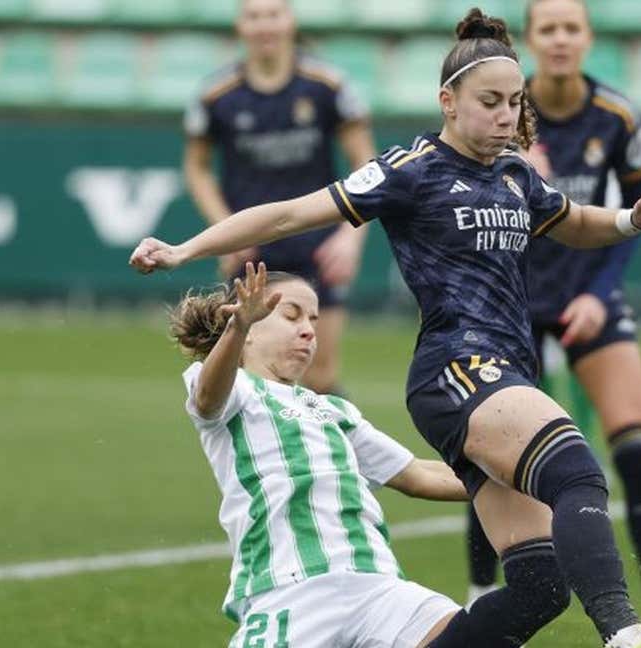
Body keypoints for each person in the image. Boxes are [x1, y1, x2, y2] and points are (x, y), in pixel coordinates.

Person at [133, 9, 641, 647]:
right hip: (456, 370)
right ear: (448, 101)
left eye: (514, 102)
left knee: (540, 587)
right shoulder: (409, 169)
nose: (507, 116)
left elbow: (574, 220)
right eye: (490, 102)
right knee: (578, 471)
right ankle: (626, 634)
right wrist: (184, 250)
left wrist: (632, 221)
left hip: (502, 374)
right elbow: (290, 214)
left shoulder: (515, 175)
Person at [463, 2, 641, 646]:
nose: (561, 39)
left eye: (572, 28)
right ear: (532, 41)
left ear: (588, 39)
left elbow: (637, 212)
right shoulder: (502, 109)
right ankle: (480, 595)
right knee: (491, 456)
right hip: (510, 303)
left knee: (634, 446)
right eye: (549, 29)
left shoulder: (615, 117)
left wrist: (599, 293)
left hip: (588, 297)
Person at [173, 263, 466, 647]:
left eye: (313, 318)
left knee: (473, 636)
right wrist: (236, 327)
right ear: (249, 329)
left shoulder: (334, 410)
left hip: (375, 585)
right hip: (289, 592)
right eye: (291, 315)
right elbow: (209, 399)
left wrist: (533, 479)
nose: (310, 330)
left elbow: (417, 475)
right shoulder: (235, 391)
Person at [183, 0, 376, 394]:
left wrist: (350, 236)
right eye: (254, 16)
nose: (264, 25)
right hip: (251, 251)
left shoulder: (327, 86)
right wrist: (224, 231)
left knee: (319, 376)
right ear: (241, 26)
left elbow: (366, 165)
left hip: (317, 246)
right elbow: (197, 168)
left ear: (290, 20)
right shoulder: (217, 95)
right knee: (247, 374)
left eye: (273, 14)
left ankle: (336, 454)